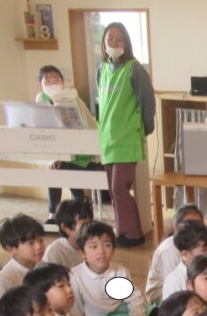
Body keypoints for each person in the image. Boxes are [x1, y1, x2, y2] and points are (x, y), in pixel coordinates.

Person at [95, 22, 155, 247]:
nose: (114, 43)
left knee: (119, 188)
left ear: (126, 43)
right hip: (108, 138)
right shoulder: (101, 70)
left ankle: (132, 234)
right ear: (103, 42)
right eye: (110, 39)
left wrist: (145, 128)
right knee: (113, 191)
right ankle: (122, 231)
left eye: (119, 39)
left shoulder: (134, 69)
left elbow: (147, 102)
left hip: (127, 138)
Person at [34, 65, 106, 223]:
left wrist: (61, 157)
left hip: (87, 156)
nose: (52, 83)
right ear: (41, 84)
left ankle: (76, 211)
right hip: (64, 156)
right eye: (48, 80)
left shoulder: (71, 99)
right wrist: (58, 157)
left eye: (56, 79)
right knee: (56, 168)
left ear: (63, 82)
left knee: (62, 169)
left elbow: (81, 131)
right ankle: (58, 212)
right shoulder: (41, 100)